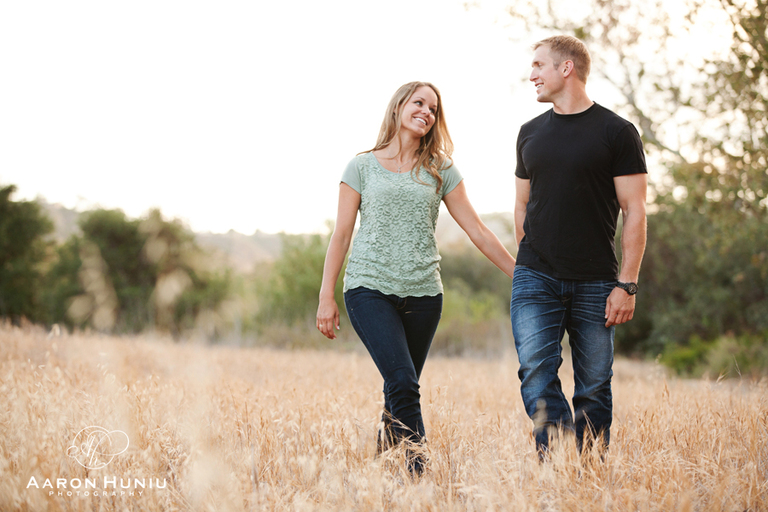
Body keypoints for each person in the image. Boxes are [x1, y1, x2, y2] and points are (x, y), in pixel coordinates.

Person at [316, 81, 517, 474]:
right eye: (419, 103)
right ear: (399, 106)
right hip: (368, 287)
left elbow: (477, 229)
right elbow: (341, 235)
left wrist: (520, 274)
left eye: (433, 109)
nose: (426, 111)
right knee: (405, 383)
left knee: (398, 390)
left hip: (425, 294)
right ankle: (420, 475)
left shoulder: (441, 169)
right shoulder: (360, 166)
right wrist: (326, 296)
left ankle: (381, 478)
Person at [511, 35, 648, 458]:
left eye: (539, 65)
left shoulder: (617, 132)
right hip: (536, 277)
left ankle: (588, 471)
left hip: (596, 281)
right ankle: (555, 461)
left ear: (566, 68)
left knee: (594, 384)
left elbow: (635, 211)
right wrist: (527, 260)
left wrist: (627, 284)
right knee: (536, 372)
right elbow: (522, 203)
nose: (531, 74)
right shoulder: (529, 133)